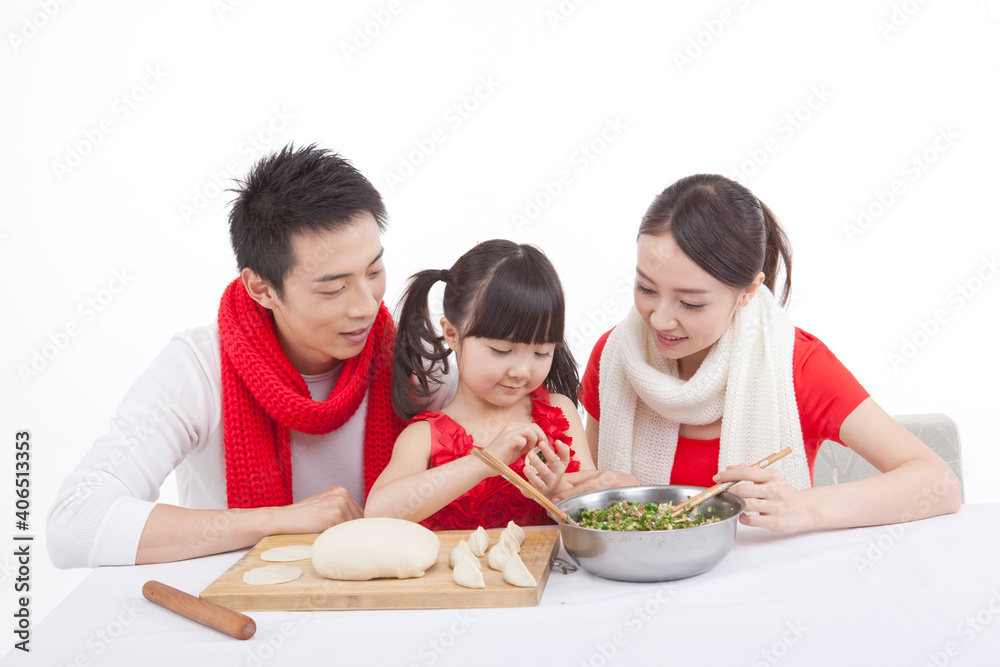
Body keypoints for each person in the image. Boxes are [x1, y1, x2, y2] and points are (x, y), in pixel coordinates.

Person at [47, 144, 446, 568]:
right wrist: (278, 521)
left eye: (374, 272)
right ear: (262, 288)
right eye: (333, 289)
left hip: (390, 608)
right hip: (237, 616)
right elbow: (73, 525)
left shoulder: (413, 358)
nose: (367, 306)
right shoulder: (199, 369)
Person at [567, 174, 961, 532]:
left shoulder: (796, 364)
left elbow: (938, 484)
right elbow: (594, 494)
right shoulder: (617, 355)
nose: (661, 320)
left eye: (690, 304)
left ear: (748, 291)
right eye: (647, 289)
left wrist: (805, 507)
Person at [364, 240, 596, 529]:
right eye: (501, 351)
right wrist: (483, 463)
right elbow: (376, 513)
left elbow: (594, 510)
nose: (521, 371)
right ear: (451, 333)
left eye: (541, 352)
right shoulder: (425, 437)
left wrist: (555, 490)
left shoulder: (558, 412)